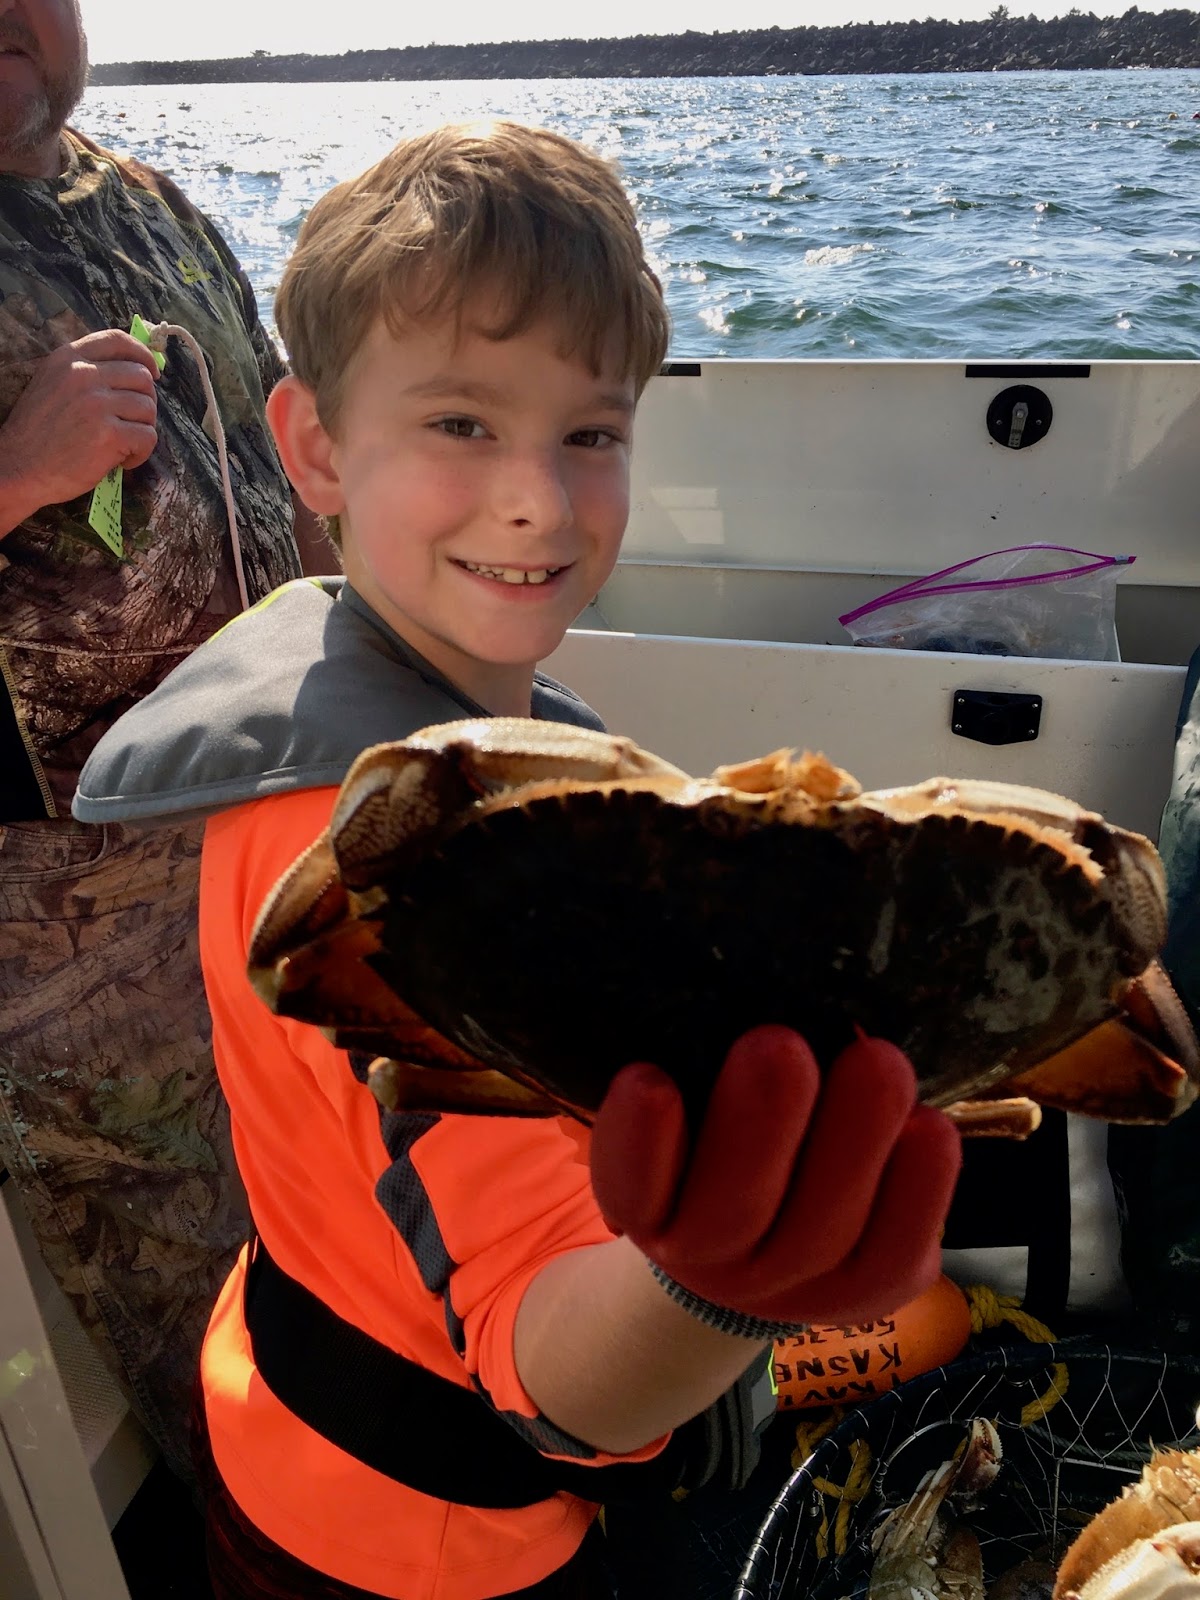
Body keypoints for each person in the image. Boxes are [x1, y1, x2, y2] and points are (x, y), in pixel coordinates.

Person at [75, 120, 963, 1599]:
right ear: (312, 448)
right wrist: (716, 1284)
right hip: (418, 1541)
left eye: (591, 434)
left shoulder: (400, 694)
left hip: (283, 1389)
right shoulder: (398, 873)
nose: (540, 499)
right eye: (462, 425)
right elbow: (551, 1369)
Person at [0, 0, 330, 1484]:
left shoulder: (153, 201)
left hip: (274, 836)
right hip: (69, 949)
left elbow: (292, 450)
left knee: (342, 1230)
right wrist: (12, 472)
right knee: (219, 1356)